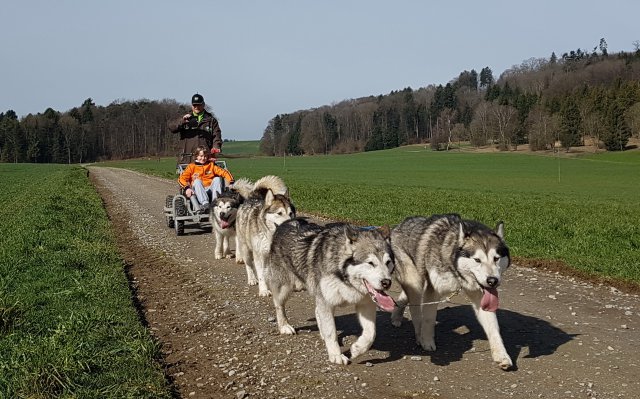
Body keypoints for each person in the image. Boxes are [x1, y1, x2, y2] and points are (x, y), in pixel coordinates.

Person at [179, 145, 234, 213]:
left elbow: (224, 173)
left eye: (205, 156)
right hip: (197, 190)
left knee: (217, 179)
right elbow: (181, 179)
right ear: (196, 156)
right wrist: (187, 188)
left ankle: (216, 202)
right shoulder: (191, 167)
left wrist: (231, 182)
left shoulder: (211, 165)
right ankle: (205, 204)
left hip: (210, 189)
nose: (203, 158)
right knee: (197, 181)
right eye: (201, 156)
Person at [169, 93, 223, 164]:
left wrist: (216, 147)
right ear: (192, 106)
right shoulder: (184, 118)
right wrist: (182, 121)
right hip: (186, 159)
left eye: (199, 105)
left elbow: (217, 137)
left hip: (205, 160)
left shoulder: (211, 120)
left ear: (203, 104)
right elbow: (172, 128)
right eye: (194, 105)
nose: (196, 107)